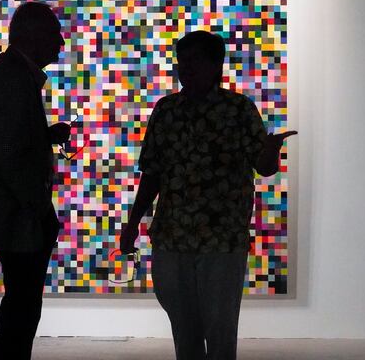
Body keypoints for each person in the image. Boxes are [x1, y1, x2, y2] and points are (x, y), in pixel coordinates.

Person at [120, 30, 296, 360]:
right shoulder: (167, 110)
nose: (185, 68)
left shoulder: (238, 109)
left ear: (216, 65)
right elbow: (153, 172)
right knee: (183, 326)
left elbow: (263, 167)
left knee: (220, 327)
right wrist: (133, 223)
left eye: (194, 60)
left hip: (222, 238)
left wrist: (271, 151)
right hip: (173, 235)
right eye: (181, 61)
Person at [0, 2, 70, 360]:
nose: (60, 42)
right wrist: (37, 208)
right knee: (22, 308)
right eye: (54, 34)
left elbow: (10, 140)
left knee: (20, 304)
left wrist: (44, 135)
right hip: (17, 215)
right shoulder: (13, 77)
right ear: (33, 35)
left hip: (14, 210)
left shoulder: (7, 72)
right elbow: (8, 153)